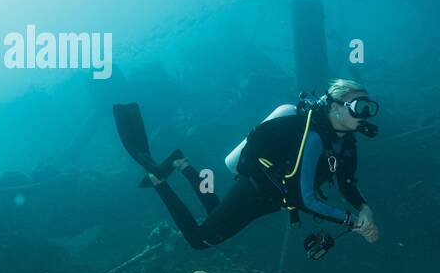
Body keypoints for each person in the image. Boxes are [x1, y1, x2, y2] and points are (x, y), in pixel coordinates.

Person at [113, 79, 381, 251]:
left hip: (271, 198)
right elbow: (305, 199)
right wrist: (353, 222)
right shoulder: (312, 137)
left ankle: (182, 164)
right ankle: (160, 181)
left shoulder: (345, 143)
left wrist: (363, 207)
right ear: (335, 107)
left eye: (369, 107)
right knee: (199, 240)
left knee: (216, 214)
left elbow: (347, 183)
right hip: (255, 189)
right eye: (359, 106)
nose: (366, 114)